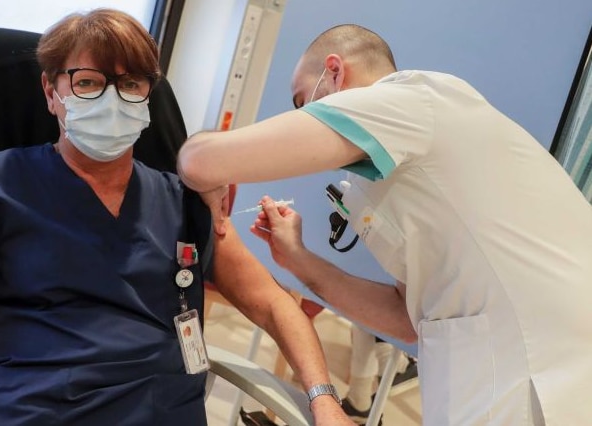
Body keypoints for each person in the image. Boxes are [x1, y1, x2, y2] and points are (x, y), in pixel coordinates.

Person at [0, 10, 352, 425]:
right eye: (88, 83)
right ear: (51, 92)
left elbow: (273, 303)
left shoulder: (182, 202)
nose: (111, 100)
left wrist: (324, 401)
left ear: (148, 96)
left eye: (130, 84)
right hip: (34, 409)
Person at [177, 23, 592, 425]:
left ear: (335, 72)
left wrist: (206, 171)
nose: (303, 117)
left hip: (537, 374)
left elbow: (200, 161)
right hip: (495, 372)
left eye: (303, 103)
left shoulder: (408, 101)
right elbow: (404, 320)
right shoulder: (398, 167)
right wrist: (298, 259)